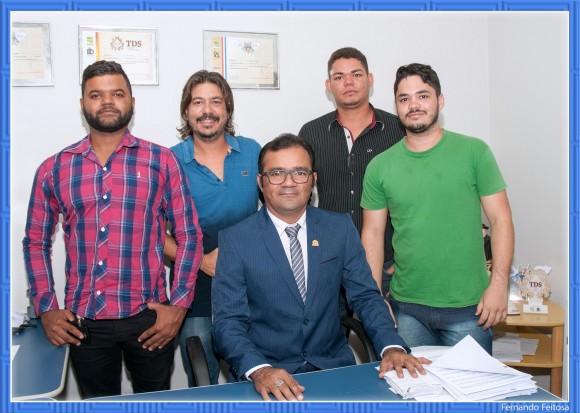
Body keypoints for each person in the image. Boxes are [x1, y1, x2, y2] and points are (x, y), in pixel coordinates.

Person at [22, 60, 203, 399]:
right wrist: (46, 307)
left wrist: (179, 306)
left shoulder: (162, 161)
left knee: (154, 402)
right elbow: (35, 242)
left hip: (150, 318)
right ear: (82, 104)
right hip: (84, 322)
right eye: (96, 95)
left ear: (132, 101)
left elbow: (190, 236)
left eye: (117, 94)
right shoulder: (54, 169)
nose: (107, 101)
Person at [212, 134, 428, 401]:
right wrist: (259, 369)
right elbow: (227, 322)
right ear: (261, 181)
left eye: (299, 173)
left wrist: (391, 347)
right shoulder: (236, 239)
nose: (289, 182)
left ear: (313, 179)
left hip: (332, 370)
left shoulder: (339, 228)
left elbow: (365, 296)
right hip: (267, 373)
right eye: (276, 173)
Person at [361, 63, 514, 354]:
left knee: (470, 386)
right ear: (396, 106)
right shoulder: (379, 166)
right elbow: (373, 234)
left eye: (423, 95)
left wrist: (498, 285)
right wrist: (375, 298)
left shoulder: (474, 152)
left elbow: (501, 219)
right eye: (404, 98)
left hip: (470, 308)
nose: (413, 105)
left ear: (439, 100)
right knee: (411, 385)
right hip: (406, 308)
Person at [164, 70, 261, 386]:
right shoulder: (169, 161)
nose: (207, 110)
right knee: (202, 381)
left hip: (250, 289)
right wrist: (200, 261)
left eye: (216, 102)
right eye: (198, 102)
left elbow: (276, 211)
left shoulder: (253, 152)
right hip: (195, 291)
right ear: (186, 110)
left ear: (228, 109)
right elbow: (153, 233)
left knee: (252, 378)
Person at [298, 47, 405, 298]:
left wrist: (405, 261)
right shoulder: (311, 133)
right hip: (327, 262)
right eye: (339, 77)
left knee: (383, 324)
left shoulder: (398, 130)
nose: (348, 82)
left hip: (388, 262)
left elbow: (417, 197)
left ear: (370, 79)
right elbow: (300, 196)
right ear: (329, 85)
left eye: (356, 74)